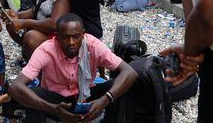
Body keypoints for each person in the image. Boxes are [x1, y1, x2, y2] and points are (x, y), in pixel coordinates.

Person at [8, 13, 138, 122]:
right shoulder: (46, 50)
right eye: (65, 37)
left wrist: (105, 100)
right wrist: (53, 109)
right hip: (57, 101)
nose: (71, 42)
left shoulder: (93, 44)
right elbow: (15, 88)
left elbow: (129, 72)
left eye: (76, 37)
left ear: (83, 35)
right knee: (33, 95)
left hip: (86, 94)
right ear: (57, 37)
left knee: (121, 84)